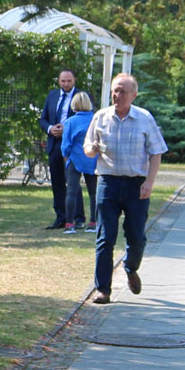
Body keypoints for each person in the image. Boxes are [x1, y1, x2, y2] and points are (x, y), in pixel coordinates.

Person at [83, 74, 167, 304]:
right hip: (108, 182)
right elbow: (88, 148)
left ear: (134, 95)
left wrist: (149, 182)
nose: (117, 96)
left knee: (136, 236)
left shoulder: (144, 118)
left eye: (122, 91)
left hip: (135, 184)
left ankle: (130, 267)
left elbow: (156, 152)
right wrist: (93, 148)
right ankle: (103, 290)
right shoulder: (101, 117)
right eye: (114, 91)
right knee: (104, 237)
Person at [39, 69, 80, 230]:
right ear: (59, 81)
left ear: (74, 80)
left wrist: (67, 129)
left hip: (72, 145)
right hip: (55, 143)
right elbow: (43, 119)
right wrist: (50, 129)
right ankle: (61, 217)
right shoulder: (52, 95)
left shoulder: (81, 96)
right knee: (57, 182)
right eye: (63, 81)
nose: (66, 84)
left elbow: (86, 119)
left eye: (69, 81)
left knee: (72, 181)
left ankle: (77, 217)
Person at [60, 91, 98, 233]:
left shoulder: (70, 122)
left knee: (71, 191)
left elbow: (66, 144)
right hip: (92, 159)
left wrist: (66, 158)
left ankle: (70, 224)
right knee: (94, 192)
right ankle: (93, 222)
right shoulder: (96, 119)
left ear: (74, 105)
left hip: (75, 159)